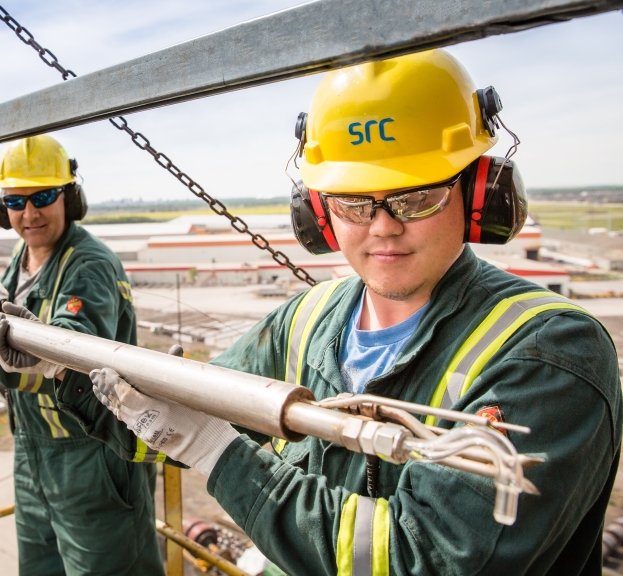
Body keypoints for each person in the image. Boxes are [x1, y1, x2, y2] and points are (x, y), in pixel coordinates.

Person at [80, 50, 621, 575]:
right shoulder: (308, 319)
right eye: (353, 203)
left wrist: (218, 454)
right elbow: (176, 415)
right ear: (319, 211)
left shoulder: (550, 350)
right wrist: (65, 375)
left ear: (481, 193)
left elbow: (420, 559)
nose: (383, 227)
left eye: (417, 197)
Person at [0, 135, 164, 576]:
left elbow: (70, 353)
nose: (29, 213)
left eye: (43, 196)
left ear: (70, 198)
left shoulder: (88, 264)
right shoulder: (22, 258)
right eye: (16, 200)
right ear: (3, 209)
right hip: (32, 452)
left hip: (90, 456)